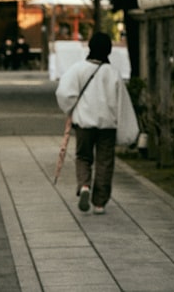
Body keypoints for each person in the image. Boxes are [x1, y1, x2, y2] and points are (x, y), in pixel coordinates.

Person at [54, 32, 138, 214]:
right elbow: (122, 103)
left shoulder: (78, 69)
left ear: (90, 48)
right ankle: (99, 203)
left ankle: (84, 185)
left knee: (83, 157)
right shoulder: (113, 73)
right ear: (108, 50)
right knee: (104, 162)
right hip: (108, 125)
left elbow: (64, 93)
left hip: (84, 123)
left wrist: (71, 108)